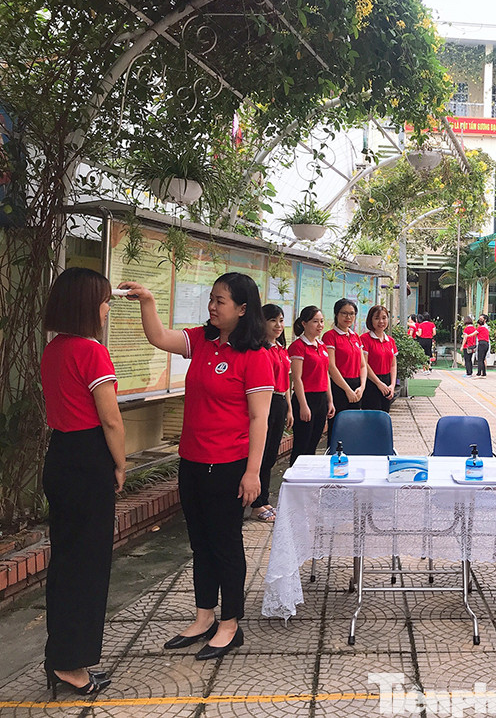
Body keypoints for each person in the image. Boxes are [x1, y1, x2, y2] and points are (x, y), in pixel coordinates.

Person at [120, 272, 273, 661]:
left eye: (221, 301)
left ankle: (230, 624)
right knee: (200, 543)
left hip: (229, 465)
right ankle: (204, 616)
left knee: (225, 544)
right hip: (192, 460)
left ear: (243, 309)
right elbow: (159, 337)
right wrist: (148, 301)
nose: (212, 306)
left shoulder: (255, 356)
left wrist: (253, 472)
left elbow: (260, 419)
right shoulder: (202, 340)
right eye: (211, 298)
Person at [40, 267, 121, 697]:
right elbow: (110, 419)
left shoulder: (54, 349)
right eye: (105, 301)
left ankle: (62, 655)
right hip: (89, 458)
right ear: (88, 306)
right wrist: (120, 463)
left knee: (67, 560)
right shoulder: (91, 352)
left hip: (61, 454)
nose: (107, 309)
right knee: (88, 565)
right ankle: (71, 665)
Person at [253, 304, 293, 522]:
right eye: (273, 320)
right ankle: (255, 504)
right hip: (265, 403)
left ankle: (264, 498)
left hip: (279, 402)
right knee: (260, 453)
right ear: (262, 322)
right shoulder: (259, 350)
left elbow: (286, 382)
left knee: (270, 455)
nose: (278, 325)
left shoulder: (280, 349)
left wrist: (289, 409)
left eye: (281, 320)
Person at [288, 306, 335, 458]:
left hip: (321, 398)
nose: (320, 325)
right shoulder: (298, 347)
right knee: (302, 445)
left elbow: (326, 374)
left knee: (313, 444)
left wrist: (330, 401)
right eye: (315, 321)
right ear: (304, 323)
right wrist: (303, 405)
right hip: (306, 398)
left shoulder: (321, 345)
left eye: (321, 321)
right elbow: (297, 378)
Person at [324, 298, 366, 441]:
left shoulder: (355, 336)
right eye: (344, 313)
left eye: (352, 314)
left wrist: (362, 387)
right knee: (337, 428)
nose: (348, 317)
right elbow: (331, 366)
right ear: (336, 314)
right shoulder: (330, 336)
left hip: (356, 387)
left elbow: (362, 365)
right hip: (339, 386)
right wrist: (347, 390)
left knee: (353, 428)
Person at [360, 305, 398, 412]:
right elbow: (364, 364)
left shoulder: (390, 341)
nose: (381, 321)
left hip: (387, 381)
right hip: (370, 382)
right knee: (371, 416)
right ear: (370, 320)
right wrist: (378, 383)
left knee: (384, 415)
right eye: (377, 318)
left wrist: (392, 385)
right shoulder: (364, 339)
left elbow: (393, 365)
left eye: (384, 318)